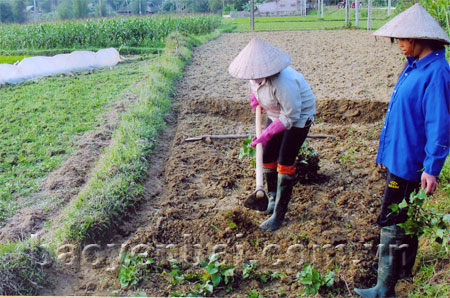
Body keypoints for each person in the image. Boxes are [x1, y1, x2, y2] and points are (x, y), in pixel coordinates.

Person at [354, 4, 450, 298]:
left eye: (404, 40)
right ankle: (404, 270)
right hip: (399, 155)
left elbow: (439, 123)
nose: (399, 45)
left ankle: (384, 288)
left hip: (411, 162)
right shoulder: (414, 67)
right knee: (406, 215)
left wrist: (432, 168)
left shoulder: (437, 73)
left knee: (391, 217)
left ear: (422, 39)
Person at [228, 38, 316, 231]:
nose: (253, 78)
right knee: (268, 154)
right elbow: (256, 88)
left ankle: (279, 214)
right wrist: (255, 97)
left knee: (285, 160)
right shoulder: (254, 76)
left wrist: (268, 133)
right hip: (276, 113)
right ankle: (272, 196)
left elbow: (291, 115)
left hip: (298, 117)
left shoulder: (284, 82)